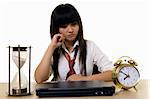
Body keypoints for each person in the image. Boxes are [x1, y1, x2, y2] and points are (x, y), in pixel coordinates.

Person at [34, 3, 113, 83]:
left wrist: (83, 79)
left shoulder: (90, 46)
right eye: (64, 26)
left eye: (74, 24)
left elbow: (112, 73)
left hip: (85, 94)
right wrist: (51, 47)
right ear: (57, 29)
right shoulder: (54, 49)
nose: (70, 30)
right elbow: (39, 79)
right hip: (60, 95)